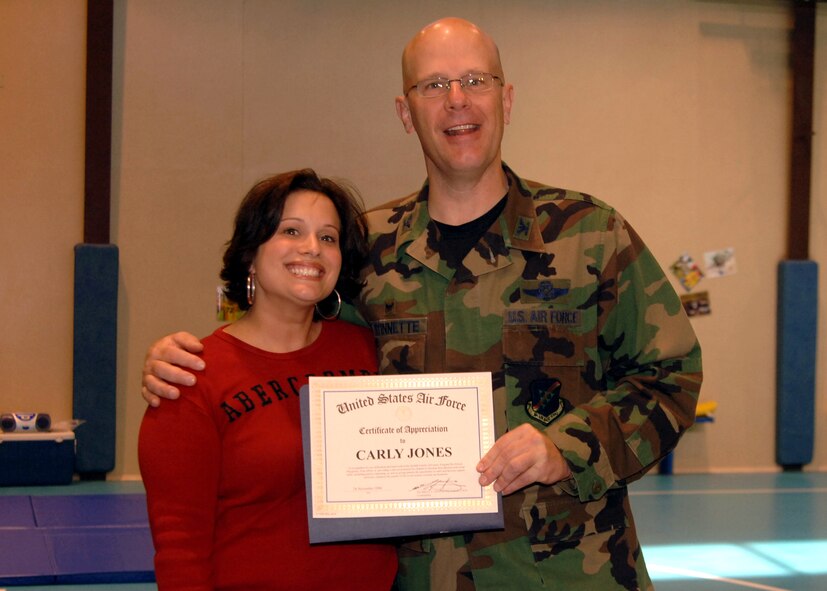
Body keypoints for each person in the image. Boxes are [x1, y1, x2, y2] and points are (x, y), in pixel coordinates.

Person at [142, 18, 702, 591]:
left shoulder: (590, 235)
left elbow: (671, 377)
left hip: (569, 573)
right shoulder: (364, 250)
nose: (456, 100)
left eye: (475, 80)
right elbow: (292, 347)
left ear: (506, 98)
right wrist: (183, 360)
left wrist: (568, 448)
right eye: (433, 86)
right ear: (405, 113)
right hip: (417, 577)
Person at [138, 169, 397, 590]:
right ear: (250, 255)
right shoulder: (190, 378)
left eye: (328, 238)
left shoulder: (368, 351)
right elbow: (180, 548)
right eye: (290, 230)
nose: (311, 248)